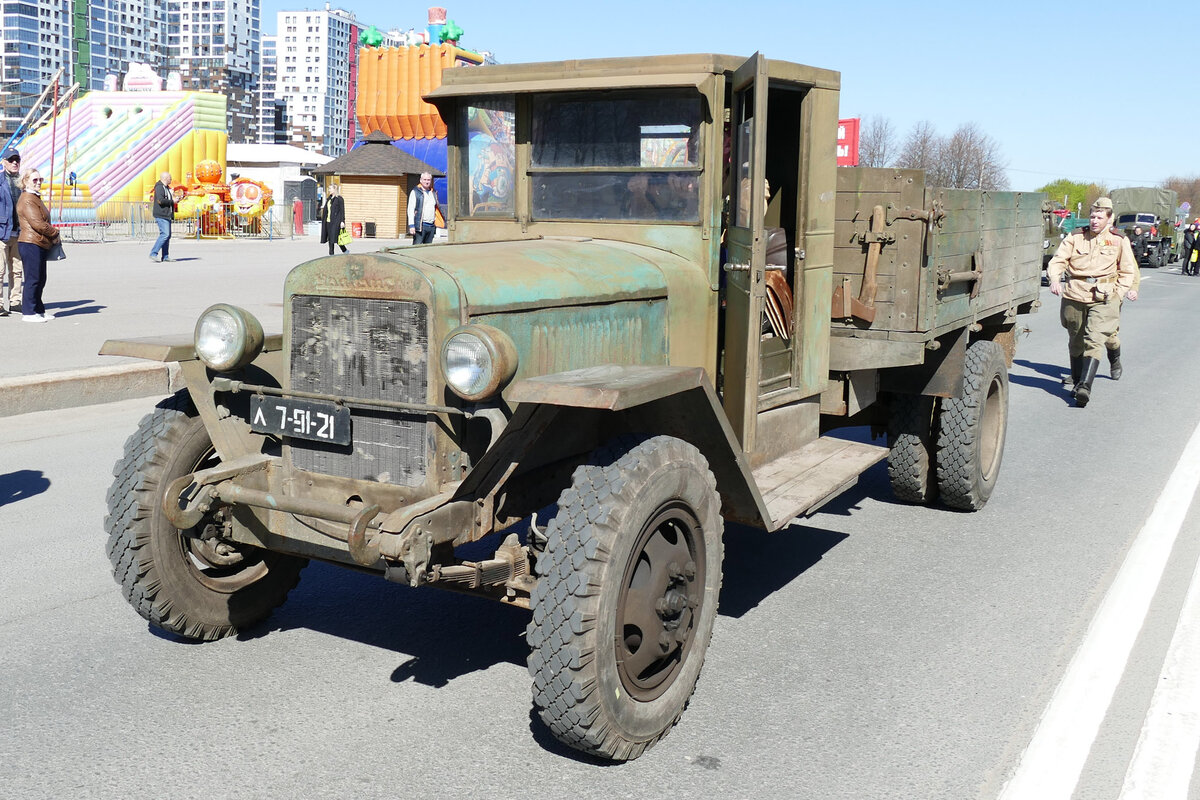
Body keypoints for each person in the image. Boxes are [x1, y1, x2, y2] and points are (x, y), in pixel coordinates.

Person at [1046, 197, 1137, 407]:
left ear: (1109, 219)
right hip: (1075, 294)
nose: (1094, 221)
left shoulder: (1118, 239)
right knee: (1076, 340)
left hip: (1105, 296)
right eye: (1092, 216)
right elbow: (1059, 260)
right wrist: (1054, 279)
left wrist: (1120, 294)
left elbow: (1128, 270)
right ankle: (1077, 383)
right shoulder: (1076, 236)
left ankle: (1085, 387)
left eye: (1099, 217)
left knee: (1094, 338)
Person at [15, 168, 59, 323]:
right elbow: (38, 223)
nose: (38, 182)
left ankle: (39, 310)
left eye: (40, 179)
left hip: (38, 242)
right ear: (25, 181)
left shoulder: (35, 197)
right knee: (33, 278)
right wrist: (55, 233)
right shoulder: (27, 198)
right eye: (34, 180)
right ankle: (28, 312)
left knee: (40, 278)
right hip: (30, 242)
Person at [1, 147, 22, 315]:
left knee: (17, 270)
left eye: (17, 160)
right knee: (0, 270)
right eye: (11, 160)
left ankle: (15, 301)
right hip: (2, 232)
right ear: (4, 162)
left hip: (19, 232)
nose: (14, 162)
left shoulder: (23, 182)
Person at [149, 171, 175, 263]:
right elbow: (160, 200)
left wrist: (174, 199)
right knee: (165, 234)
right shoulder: (159, 187)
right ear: (165, 178)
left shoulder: (167, 188)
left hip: (167, 214)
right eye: (170, 178)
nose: (171, 179)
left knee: (168, 236)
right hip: (161, 214)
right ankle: (153, 253)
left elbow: (168, 199)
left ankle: (165, 256)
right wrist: (172, 201)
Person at [407, 171, 438, 245]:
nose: (426, 182)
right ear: (420, 180)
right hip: (421, 226)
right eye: (425, 179)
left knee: (427, 249)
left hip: (431, 226)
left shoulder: (433, 193)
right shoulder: (415, 192)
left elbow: (436, 209)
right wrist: (411, 225)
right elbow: (410, 209)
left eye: (428, 180)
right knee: (416, 248)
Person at [319, 183, 347, 255]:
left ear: (334, 189)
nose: (329, 190)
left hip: (336, 222)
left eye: (330, 188)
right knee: (330, 239)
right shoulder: (329, 198)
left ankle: (345, 251)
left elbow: (342, 211)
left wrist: (342, 221)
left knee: (336, 238)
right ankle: (331, 254)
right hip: (328, 221)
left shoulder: (339, 199)